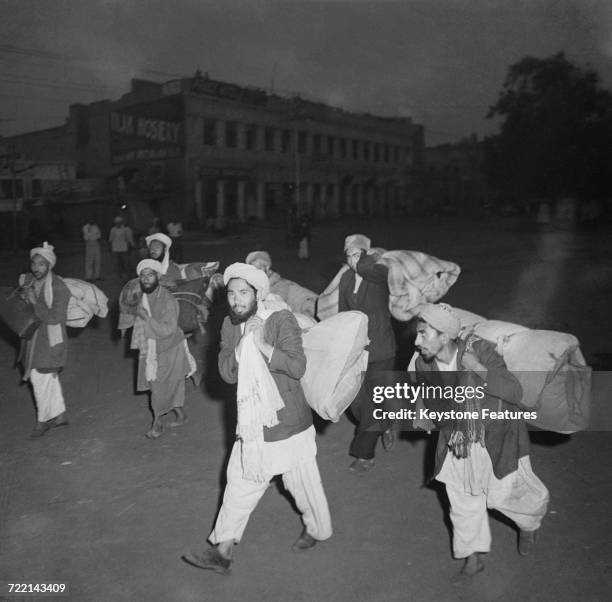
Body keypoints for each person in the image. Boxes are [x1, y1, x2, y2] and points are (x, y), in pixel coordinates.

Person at [183, 263, 332, 575]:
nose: (236, 300)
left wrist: (263, 345)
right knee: (239, 480)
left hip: (288, 423)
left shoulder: (280, 318)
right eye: (232, 293)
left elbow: (297, 367)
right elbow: (225, 372)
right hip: (252, 422)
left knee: (302, 485)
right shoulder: (228, 324)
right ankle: (222, 550)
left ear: (258, 294)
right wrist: (240, 348)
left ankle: (317, 530)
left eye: (244, 293)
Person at [413, 303, 549, 583]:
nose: (417, 342)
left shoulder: (481, 351)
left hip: (497, 437)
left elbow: (514, 391)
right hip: (458, 442)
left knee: (502, 497)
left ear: (445, 336)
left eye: (423, 334)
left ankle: (529, 522)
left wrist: (477, 368)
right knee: (461, 503)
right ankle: (472, 558)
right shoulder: (423, 363)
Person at [339, 234, 397, 473]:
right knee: (356, 402)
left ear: (366, 254)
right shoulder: (345, 279)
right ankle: (387, 422)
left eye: (357, 254)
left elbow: (376, 270)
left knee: (371, 403)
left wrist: (365, 260)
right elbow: (343, 314)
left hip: (381, 350)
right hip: (357, 350)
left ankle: (365, 455)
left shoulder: (379, 275)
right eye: (349, 255)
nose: (353, 260)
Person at [130, 259, 195, 439]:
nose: (146, 279)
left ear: (158, 276)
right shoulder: (142, 296)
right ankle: (181, 416)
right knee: (166, 384)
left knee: (159, 387)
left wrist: (146, 318)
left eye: (150, 275)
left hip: (169, 348)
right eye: (142, 276)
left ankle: (157, 424)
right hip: (151, 348)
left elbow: (167, 330)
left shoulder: (167, 299)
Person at [18, 242, 71, 438]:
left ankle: (43, 420)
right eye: (34, 263)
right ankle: (60, 414)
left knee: (40, 378)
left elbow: (55, 317)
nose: (36, 268)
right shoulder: (30, 282)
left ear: (50, 265)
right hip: (34, 339)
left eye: (41, 264)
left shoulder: (59, 287)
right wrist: (24, 299)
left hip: (51, 340)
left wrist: (34, 301)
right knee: (47, 378)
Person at [245, 250, 317, 318]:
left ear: (267, 267)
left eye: (259, 267)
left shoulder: (279, 284)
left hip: (314, 308)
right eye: (253, 269)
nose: (257, 272)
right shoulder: (266, 284)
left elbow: (275, 307)